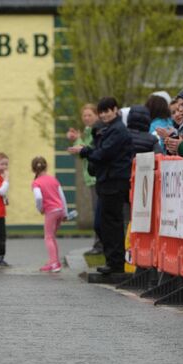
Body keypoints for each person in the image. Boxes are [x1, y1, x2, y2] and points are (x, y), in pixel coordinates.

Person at [72, 97, 133, 275]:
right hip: (106, 181)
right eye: (102, 112)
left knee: (111, 223)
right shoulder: (107, 129)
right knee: (103, 223)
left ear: (116, 110)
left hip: (114, 182)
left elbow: (104, 153)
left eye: (108, 111)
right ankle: (112, 260)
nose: (105, 114)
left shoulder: (117, 130)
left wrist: (84, 151)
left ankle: (115, 263)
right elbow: (99, 152)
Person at [66, 103, 102, 255]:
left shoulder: (97, 130)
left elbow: (88, 149)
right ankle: (98, 244)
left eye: (90, 115)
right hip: (91, 176)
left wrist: (78, 140)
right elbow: (80, 150)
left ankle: (100, 245)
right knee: (97, 211)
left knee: (99, 212)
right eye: (84, 115)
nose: (86, 118)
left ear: (96, 115)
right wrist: (76, 139)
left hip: (97, 177)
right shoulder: (87, 132)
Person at [31, 156, 68, 273]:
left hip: (50, 211)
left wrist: (40, 208)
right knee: (52, 236)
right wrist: (65, 213)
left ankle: (54, 264)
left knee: (48, 237)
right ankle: (54, 261)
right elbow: (62, 197)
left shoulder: (36, 182)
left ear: (33, 169)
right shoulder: (53, 179)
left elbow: (38, 197)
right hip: (60, 210)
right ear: (46, 167)